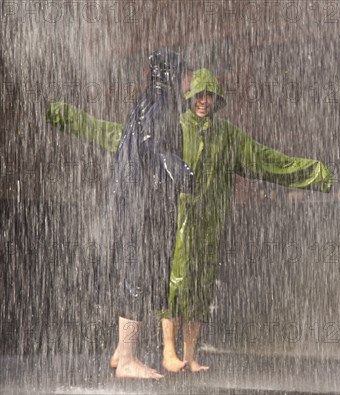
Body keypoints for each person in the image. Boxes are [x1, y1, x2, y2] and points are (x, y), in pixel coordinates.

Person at [46, 68, 334, 373]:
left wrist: (314, 173)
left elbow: (267, 160)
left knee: (200, 288)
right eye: (198, 95)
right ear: (189, 97)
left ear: (216, 99)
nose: (203, 101)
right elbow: (118, 135)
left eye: (208, 95)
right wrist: (67, 117)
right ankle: (168, 352)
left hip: (210, 224)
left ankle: (190, 355)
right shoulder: (174, 128)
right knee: (174, 285)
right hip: (176, 220)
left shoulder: (228, 136)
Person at [101, 48, 194, 379]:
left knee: (133, 274)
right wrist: (182, 171)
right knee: (137, 278)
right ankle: (127, 358)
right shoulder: (160, 105)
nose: (188, 83)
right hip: (142, 202)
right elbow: (152, 146)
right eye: (184, 75)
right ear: (170, 75)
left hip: (131, 200)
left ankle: (120, 352)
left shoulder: (145, 103)